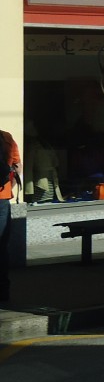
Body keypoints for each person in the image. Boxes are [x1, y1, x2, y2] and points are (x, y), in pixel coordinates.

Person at [0, 129, 20, 303]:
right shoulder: (6, 137)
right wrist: (7, 187)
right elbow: (16, 166)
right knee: (1, 248)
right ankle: (3, 293)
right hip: (2, 198)